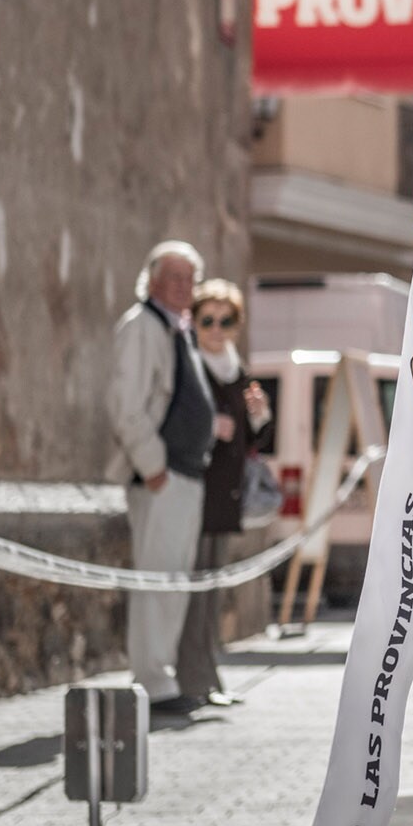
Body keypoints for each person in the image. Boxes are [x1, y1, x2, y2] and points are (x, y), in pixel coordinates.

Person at [107, 240, 216, 718]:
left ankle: (162, 676)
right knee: (157, 579)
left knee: (173, 580)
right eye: (173, 277)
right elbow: (124, 404)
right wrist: (152, 468)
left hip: (185, 472)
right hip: (161, 475)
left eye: (189, 278)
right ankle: (151, 682)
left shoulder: (179, 330)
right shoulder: (141, 327)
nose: (183, 287)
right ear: (151, 282)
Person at [176, 278, 273, 707]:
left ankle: (208, 678)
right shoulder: (190, 363)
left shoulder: (237, 371)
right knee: (191, 592)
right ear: (194, 321)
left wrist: (259, 416)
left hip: (225, 497)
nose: (216, 328)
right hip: (193, 492)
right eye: (208, 319)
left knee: (212, 592)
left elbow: (257, 441)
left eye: (226, 319)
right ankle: (188, 681)